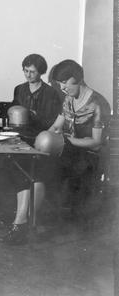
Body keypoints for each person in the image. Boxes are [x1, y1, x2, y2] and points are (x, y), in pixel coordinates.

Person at [0, 54, 62, 245]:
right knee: (18, 171)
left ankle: (22, 222)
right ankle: (26, 221)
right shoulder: (19, 89)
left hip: (42, 140)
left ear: (41, 71)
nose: (28, 75)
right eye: (25, 71)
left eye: (32, 71)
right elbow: (14, 115)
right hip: (21, 139)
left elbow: (52, 123)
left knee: (34, 172)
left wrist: (33, 116)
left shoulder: (51, 93)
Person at [48, 59, 111, 224]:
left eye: (64, 83)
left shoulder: (97, 103)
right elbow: (56, 126)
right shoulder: (68, 99)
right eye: (59, 83)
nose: (62, 88)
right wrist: (42, 140)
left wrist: (67, 140)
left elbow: (97, 142)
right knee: (43, 164)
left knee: (63, 172)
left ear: (78, 78)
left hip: (92, 157)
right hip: (72, 151)